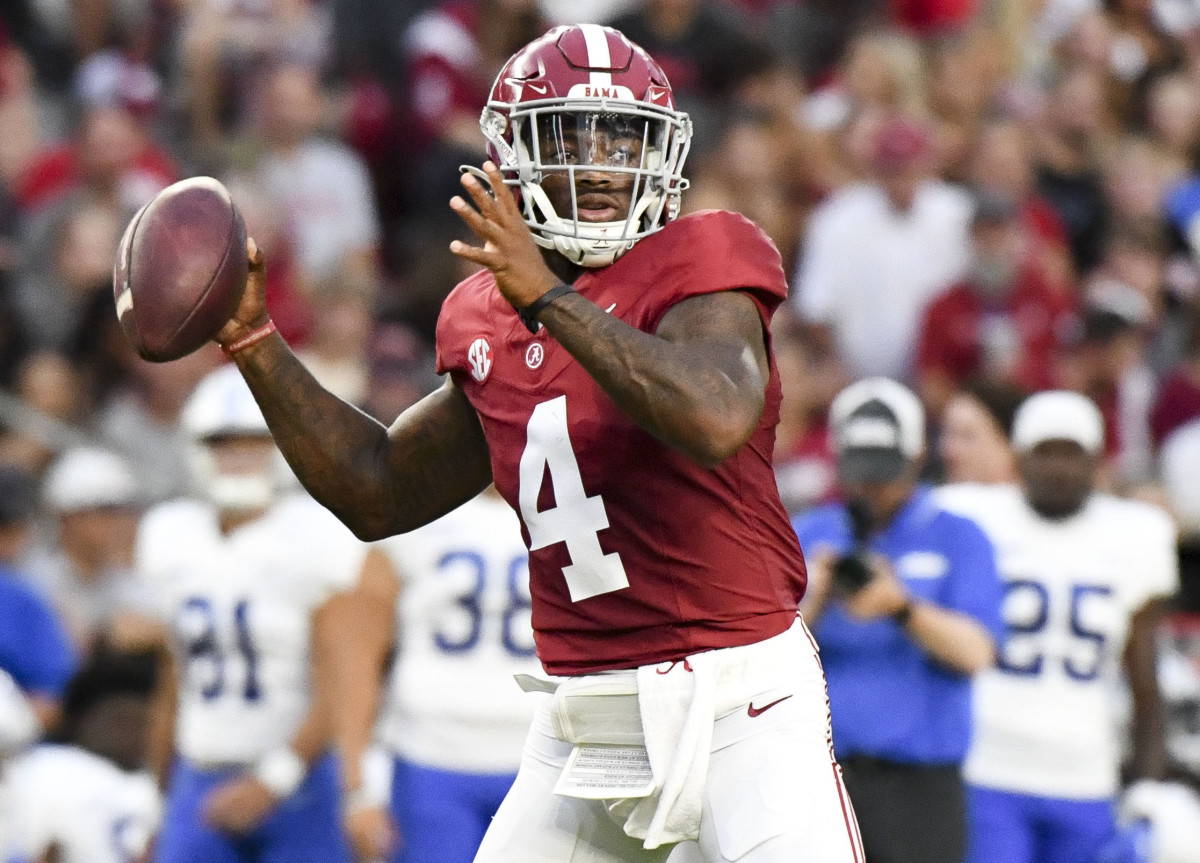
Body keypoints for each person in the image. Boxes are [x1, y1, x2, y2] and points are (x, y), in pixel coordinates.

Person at [210, 22, 863, 863]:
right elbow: (377, 490)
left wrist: (549, 298)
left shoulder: (702, 258)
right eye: (571, 133)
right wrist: (256, 340)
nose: (600, 162)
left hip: (740, 703)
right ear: (512, 153)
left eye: (625, 136)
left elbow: (713, 417)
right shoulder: (484, 314)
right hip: (581, 720)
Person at [937, 391, 1179, 863]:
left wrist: (1149, 782)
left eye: (1072, 454)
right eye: (1045, 452)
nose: (1059, 468)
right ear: (1019, 458)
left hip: (1085, 773)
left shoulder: (1135, 534)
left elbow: (1143, 679)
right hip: (990, 768)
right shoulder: (972, 516)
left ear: (1096, 462)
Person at [137, 365, 365, 863]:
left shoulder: (314, 533)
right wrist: (153, 798)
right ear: (197, 448)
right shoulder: (171, 535)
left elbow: (342, 678)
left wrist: (273, 780)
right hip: (200, 773)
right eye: (223, 443)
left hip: (297, 782)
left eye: (253, 442)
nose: (238, 458)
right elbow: (174, 679)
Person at [791, 378, 1005, 863]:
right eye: (861, 472)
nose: (871, 487)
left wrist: (902, 608)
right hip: (821, 774)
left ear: (914, 458)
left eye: (884, 473)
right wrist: (815, 598)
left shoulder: (959, 536)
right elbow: (765, 654)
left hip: (920, 786)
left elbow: (977, 652)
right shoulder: (811, 533)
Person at [333, 487, 543, 863]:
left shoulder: (581, 498)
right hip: (430, 758)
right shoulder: (409, 508)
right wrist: (358, 785)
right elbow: (360, 658)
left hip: (545, 758)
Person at [1, 650, 162, 863]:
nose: (129, 734)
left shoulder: (162, 785)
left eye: (140, 723)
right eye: (119, 721)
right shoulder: (46, 769)